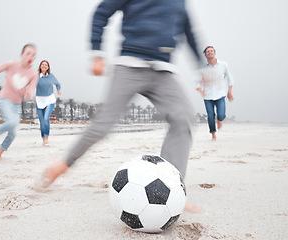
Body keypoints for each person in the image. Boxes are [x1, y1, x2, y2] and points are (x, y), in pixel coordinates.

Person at [42, 0, 203, 213]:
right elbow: (101, 12)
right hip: (130, 64)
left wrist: (202, 65)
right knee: (102, 126)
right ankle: (64, 164)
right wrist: (96, 53)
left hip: (163, 71)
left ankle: (172, 188)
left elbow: (188, 30)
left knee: (183, 118)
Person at [0, 44, 38, 160]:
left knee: (13, 133)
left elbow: (32, 89)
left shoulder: (34, 74)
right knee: (13, 122)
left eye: (33, 55)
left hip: (17, 105)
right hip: (5, 100)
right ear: (22, 54)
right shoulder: (12, 64)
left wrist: (29, 93)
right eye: (28, 53)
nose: (31, 57)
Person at [196, 46, 234, 141]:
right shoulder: (202, 68)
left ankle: (220, 120)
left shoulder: (223, 65)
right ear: (205, 55)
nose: (210, 52)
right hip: (207, 96)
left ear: (214, 53)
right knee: (210, 116)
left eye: (211, 51)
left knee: (221, 114)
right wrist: (201, 90)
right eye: (208, 51)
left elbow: (230, 79)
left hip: (220, 94)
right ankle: (213, 134)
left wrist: (229, 91)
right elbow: (197, 83)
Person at [36, 60, 61, 146]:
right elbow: (30, 83)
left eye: (46, 65)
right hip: (39, 100)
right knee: (42, 121)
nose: (44, 66)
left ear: (48, 67)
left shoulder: (51, 76)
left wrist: (58, 90)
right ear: (40, 66)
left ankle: (46, 137)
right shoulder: (36, 76)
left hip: (50, 99)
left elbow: (58, 84)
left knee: (46, 118)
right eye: (42, 64)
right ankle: (43, 138)